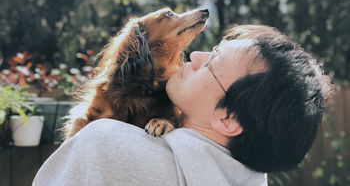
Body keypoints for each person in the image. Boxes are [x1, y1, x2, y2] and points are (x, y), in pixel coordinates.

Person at [33, 25, 333, 186]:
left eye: (212, 62)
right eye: (213, 49)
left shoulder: (104, 145)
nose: (195, 56)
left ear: (228, 119)